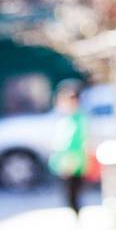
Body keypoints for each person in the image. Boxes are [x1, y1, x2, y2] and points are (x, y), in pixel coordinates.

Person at [49, 80, 88, 216]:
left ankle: (77, 222)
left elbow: (77, 144)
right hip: (64, 164)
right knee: (67, 196)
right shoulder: (66, 119)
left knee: (73, 196)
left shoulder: (78, 119)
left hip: (73, 165)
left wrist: (71, 163)